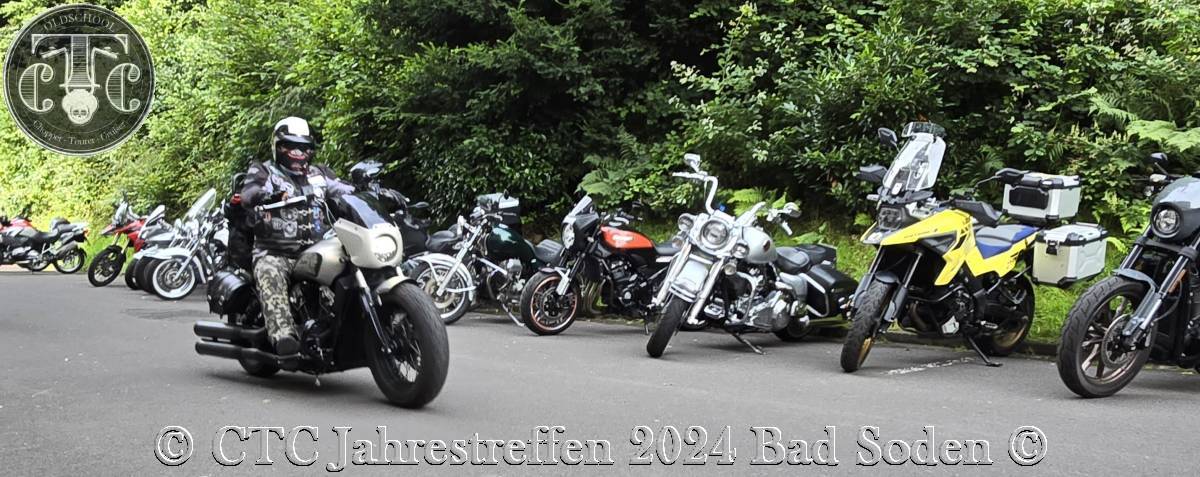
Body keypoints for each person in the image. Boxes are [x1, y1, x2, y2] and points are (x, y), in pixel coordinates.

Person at [240, 117, 354, 355]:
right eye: (291, 147)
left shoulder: (320, 174)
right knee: (270, 272)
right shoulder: (264, 171)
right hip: (275, 251)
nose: (298, 153)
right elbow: (249, 193)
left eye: (303, 148)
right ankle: (285, 338)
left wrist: (374, 192)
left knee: (348, 273)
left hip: (317, 252)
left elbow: (346, 191)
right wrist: (266, 196)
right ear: (278, 146)